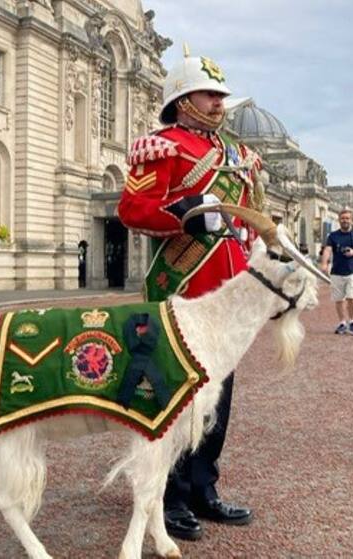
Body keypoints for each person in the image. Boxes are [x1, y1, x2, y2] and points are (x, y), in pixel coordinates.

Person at [118, 46, 261, 541]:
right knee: (176, 400)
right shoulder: (164, 146)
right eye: (210, 94)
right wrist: (189, 210)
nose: (220, 103)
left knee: (217, 401)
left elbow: (248, 223)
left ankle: (203, 486)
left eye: (222, 95)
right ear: (182, 100)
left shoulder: (237, 155)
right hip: (181, 292)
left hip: (227, 296)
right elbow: (133, 211)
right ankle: (168, 494)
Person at [320, 210, 353, 335]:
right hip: (337, 271)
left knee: (352, 298)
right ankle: (342, 322)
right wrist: (324, 263)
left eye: (347, 218)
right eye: (342, 218)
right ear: (339, 220)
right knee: (339, 299)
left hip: (352, 271)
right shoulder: (333, 236)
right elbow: (327, 250)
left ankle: (352, 321)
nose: (345, 220)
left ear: (351, 220)